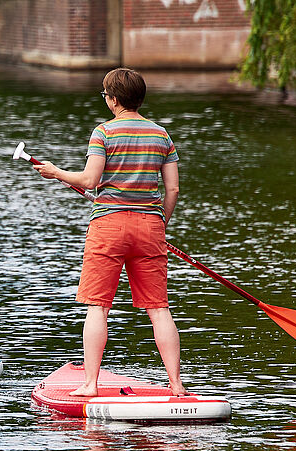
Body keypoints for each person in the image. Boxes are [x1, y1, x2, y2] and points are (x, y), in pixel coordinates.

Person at [32, 68, 186, 397]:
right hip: (150, 228)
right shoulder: (162, 136)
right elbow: (172, 190)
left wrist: (55, 172)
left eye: (105, 95)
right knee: (159, 308)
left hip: (109, 226)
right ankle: (176, 384)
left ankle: (90, 384)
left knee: (97, 307)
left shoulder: (103, 133)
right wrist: (160, 224)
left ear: (114, 99)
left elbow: (89, 180)